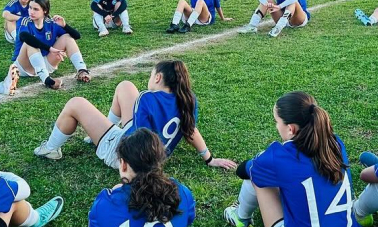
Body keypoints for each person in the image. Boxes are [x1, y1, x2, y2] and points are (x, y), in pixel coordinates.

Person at [223, 92, 365, 227]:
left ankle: (241, 218)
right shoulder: (335, 143)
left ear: (290, 129)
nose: (276, 126)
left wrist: (257, 163)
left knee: (256, 178)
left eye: (276, 121)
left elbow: (243, 170)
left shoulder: (280, 156)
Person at [35, 60, 236, 170]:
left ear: (157, 77)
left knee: (75, 103)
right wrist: (209, 158)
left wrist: (129, 171)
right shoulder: (188, 99)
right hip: (155, 155)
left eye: (151, 75)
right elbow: (190, 131)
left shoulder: (147, 98)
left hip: (127, 155)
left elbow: (138, 140)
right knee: (125, 86)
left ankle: (51, 149)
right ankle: (97, 135)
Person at [12, 0, 90, 86]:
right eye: (30, 7)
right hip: (24, 67)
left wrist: (65, 26)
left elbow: (77, 36)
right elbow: (24, 36)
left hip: (45, 63)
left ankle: (82, 70)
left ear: (45, 11)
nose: (31, 12)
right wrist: (50, 48)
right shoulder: (24, 21)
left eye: (36, 9)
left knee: (67, 37)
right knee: (29, 43)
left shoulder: (51, 23)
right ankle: (47, 80)